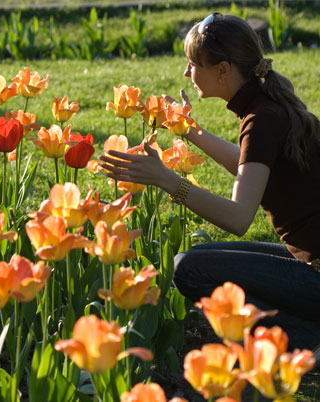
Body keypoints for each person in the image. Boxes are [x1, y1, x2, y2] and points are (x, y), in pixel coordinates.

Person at [99, 12, 320, 350]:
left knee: (190, 268)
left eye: (193, 63)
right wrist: (190, 130)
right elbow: (250, 166)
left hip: (315, 272)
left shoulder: (262, 119)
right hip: (308, 258)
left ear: (222, 70)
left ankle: (305, 341)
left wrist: (167, 179)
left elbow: (238, 218)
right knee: (202, 254)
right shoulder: (267, 106)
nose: (187, 72)